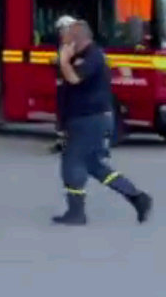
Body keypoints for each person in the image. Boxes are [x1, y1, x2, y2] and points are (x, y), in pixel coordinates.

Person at [51, 17, 151, 225]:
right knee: (94, 165)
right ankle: (136, 197)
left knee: (72, 164)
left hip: (90, 120)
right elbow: (64, 90)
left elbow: (74, 79)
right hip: (81, 120)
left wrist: (63, 61)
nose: (63, 38)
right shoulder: (77, 56)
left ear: (78, 38)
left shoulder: (93, 56)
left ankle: (76, 213)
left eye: (68, 35)